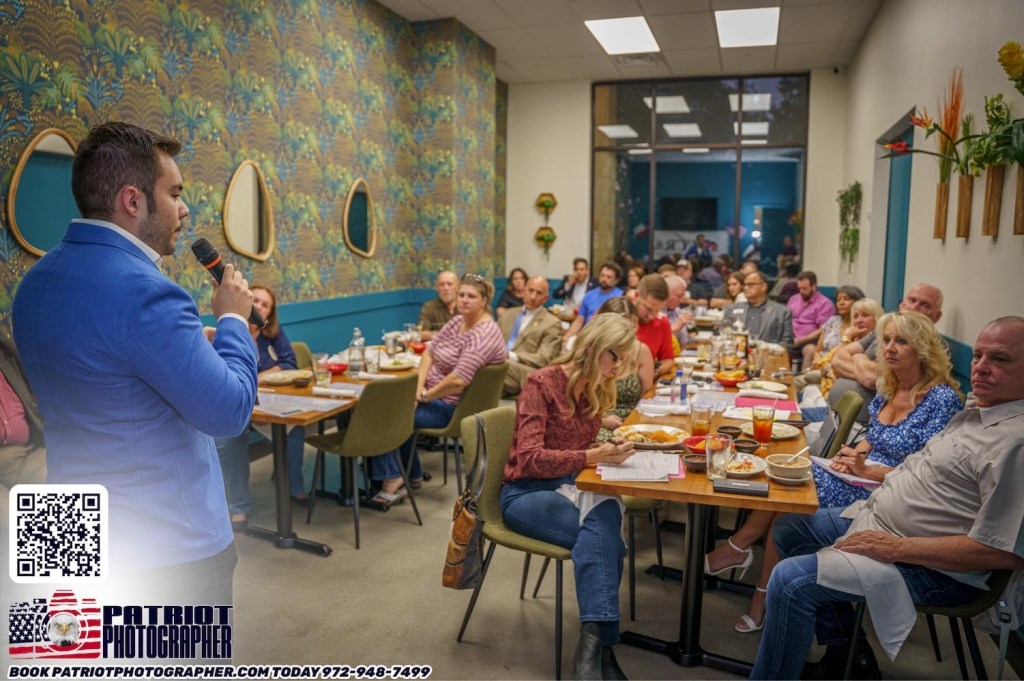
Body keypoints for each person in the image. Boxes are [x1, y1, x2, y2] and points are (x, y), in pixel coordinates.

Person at [12, 121, 257, 604]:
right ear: (133, 200)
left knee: (77, 645)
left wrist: (188, 345)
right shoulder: (147, 292)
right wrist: (233, 321)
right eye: (175, 193)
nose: (184, 209)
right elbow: (230, 414)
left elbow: (101, 365)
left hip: (63, 523)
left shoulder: (34, 284)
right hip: (162, 544)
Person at [750, 316, 1024, 681]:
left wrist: (895, 548)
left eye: (1000, 359)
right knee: (790, 528)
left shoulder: (1015, 443)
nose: (981, 367)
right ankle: (848, 654)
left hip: (933, 565)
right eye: (977, 356)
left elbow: (1003, 551)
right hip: (877, 517)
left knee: (791, 580)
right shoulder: (977, 411)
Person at [706, 310, 963, 635]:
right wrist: (854, 455)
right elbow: (873, 437)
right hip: (861, 477)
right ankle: (753, 575)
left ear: (923, 348)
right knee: (790, 472)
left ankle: (747, 566)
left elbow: (928, 475)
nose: (889, 348)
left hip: (895, 496)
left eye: (901, 341)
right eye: (886, 340)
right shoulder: (891, 386)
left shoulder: (941, 400)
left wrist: (868, 469)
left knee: (792, 491)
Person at [501, 313, 640, 680]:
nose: (618, 369)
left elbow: (579, 444)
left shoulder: (594, 387)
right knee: (607, 539)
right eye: (616, 357)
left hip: (571, 485)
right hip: (526, 492)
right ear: (594, 347)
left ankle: (594, 652)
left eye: (625, 360)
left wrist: (606, 446)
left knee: (603, 529)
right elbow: (530, 458)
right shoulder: (542, 383)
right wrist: (591, 456)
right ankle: (598, 655)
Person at [368, 274, 507, 506]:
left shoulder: (484, 334)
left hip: (452, 407)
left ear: (484, 301)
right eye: (462, 294)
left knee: (386, 414)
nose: (464, 300)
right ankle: (411, 474)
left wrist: (425, 396)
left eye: (471, 296)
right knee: (392, 405)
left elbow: (458, 380)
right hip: (431, 396)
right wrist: (418, 390)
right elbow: (429, 352)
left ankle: (392, 476)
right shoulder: (457, 321)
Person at [214, 286, 311, 532]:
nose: (258, 306)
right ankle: (238, 506)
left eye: (265, 305)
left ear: (269, 313)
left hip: (271, 402)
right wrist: (261, 379)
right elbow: (224, 374)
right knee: (228, 442)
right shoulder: (228, 331)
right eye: (255, 300)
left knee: (294, 429)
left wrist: (256, 378)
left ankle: (294, 487)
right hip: (237, 405)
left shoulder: (272, 333)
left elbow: (289, 362)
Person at [828, 283, 943, 423]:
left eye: (925, 305)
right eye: (911, 300)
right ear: (901, 304)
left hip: (860, 424)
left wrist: (858, 356)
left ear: (937, 316)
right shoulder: (885, 328)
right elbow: (837, 358)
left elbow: (871, 379)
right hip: (835, 414)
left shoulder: (928, 345)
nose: (914, 308)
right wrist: (863, 367)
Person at [594, 298, 655, 442]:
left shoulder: (641, 351)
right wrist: (602, 420)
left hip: (631, 422)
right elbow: (576, 406)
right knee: (608, 443)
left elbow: (646, 396)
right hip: (597, 422)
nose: (626, 335)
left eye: (631, 327)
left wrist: (635, 425)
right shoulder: (593, 351)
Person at [794, 297, 881, 395]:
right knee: (794, 384)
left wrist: (846, 338)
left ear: (877, 319)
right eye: (856, 316)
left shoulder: (877, 343)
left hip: (845, 389)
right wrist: (847, 338)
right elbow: (825, 362)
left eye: (865, 315)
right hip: (827, 380)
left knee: (803, 388)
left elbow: (838, 367)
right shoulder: (853, 338)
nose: (859, 320)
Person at [498, 276, 563, 397]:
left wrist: (511, 355)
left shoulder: (552, 323)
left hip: (527, 371)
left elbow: (543, 359)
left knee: (500, 365)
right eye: (530, 290)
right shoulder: (507, 314)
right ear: (523, 291)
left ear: (545, 298)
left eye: (539, 293)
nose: (533, 296)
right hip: (502, 366)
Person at [723, 271, 794, 346]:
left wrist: (767, 348)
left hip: (768, 352)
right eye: (745, 285)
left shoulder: (781, 312)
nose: (745, 288)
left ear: (763, 287)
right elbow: (723, 335)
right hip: (736, 351)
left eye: (750, 285)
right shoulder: (731, 309)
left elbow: (787, 344)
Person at [788, 271, 837, 370]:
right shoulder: (794, 299)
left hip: (809, 341)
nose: (801, 291)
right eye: (799, 288)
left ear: (814, 286)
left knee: (810, 351)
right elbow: (785, 320)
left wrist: (801, 340)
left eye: (804, 288)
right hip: (789, 338)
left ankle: (803, 378)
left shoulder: (825, 304)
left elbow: (823, 330)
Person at [565, 263, 623, 337]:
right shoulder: (589, 294)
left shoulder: (620, 296)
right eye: (602, 275)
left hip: (608, 336)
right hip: (588, 333)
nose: (604, 279)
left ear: (616, 280)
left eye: (609, 277)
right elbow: (579, 320)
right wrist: (567, 337)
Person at [634, 274, 675, 377]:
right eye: (648, 309)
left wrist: (653, 371)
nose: (651, 316)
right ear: (637, 295)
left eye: (657, 311)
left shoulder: (662, 322)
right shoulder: (615, 309)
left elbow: (668, 359)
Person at [418, 270, 458, 341]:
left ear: (457, 287)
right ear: (437, 288)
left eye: (450, 284)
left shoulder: (466, 306)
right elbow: (421, 334)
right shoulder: (429, 307)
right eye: (442, 285)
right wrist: (443, 335)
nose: (446, 288)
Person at [662, 275, 694, 351]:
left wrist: (690, 330)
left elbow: (684, 344)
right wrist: (674, 328)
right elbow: (653, 340)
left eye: (683, 296)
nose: (682, 300)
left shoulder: (677, 311)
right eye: (679, 296)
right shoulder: (654, 312)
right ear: (666, 293)